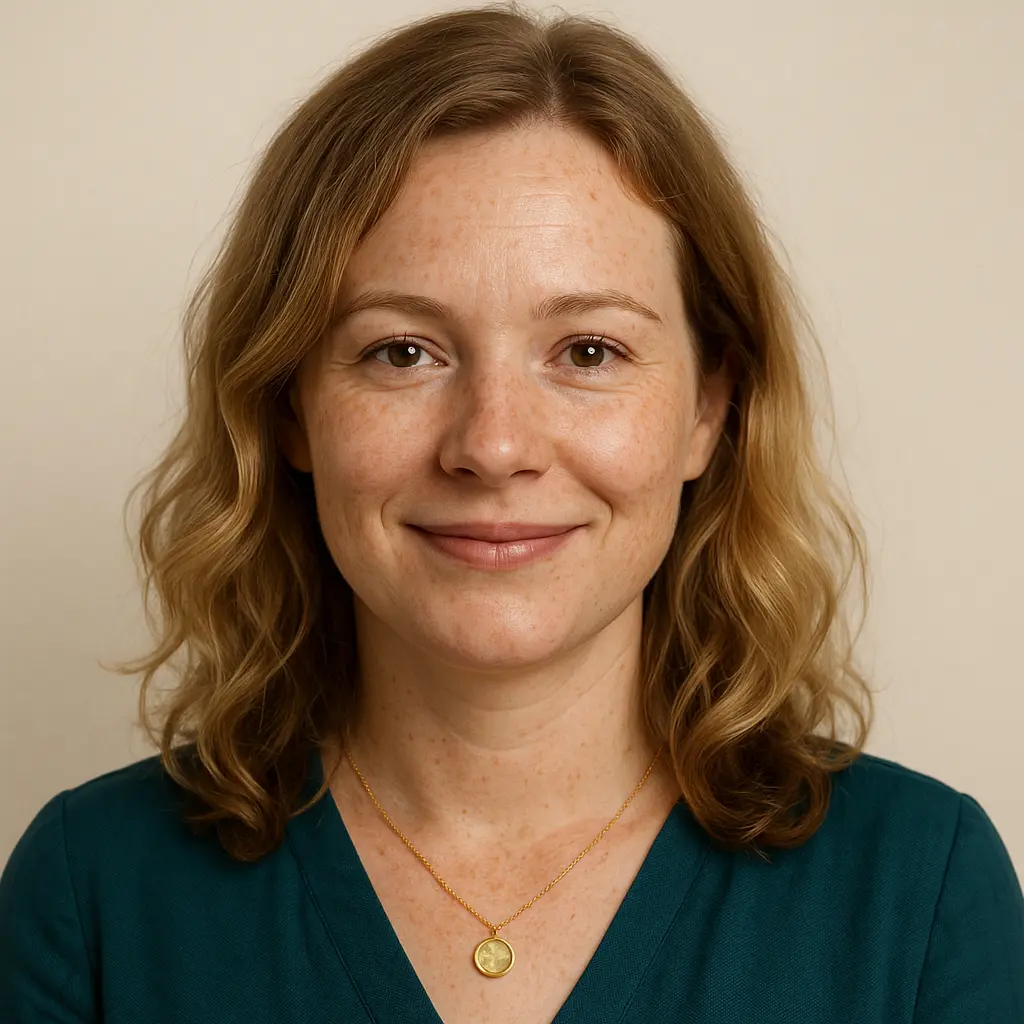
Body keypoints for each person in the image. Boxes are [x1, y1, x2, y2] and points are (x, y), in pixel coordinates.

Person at [2, 4, 1022, 1021]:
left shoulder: (921, 894)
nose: (492, 445)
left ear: (709, 409)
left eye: (587, 352)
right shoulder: (90, 896)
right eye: (401, 351)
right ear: (290, 409)